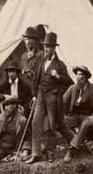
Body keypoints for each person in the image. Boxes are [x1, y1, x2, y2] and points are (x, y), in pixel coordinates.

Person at [26, 32, 75, 164]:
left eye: (49, 46)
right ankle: (36, 153)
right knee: (35, 122)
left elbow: (69, 82)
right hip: (41, 95)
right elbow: (35, 81)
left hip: (53, 97)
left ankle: (51, 153)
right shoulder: (40, 62)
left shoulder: (60, 65)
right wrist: (34, 95)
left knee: (52, 126)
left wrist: (58, 76)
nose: (46, 49)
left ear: (54, 48)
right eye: (45, 46)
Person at [62, 65, 93, 162]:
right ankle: (77, 142)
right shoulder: (72, 88)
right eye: (78, 75)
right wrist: (62, 114)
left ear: (86, 77)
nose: (79, 77)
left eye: (82, 75)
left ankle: (72, 149)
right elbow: (63, 101)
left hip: (88, 116)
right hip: (74, 116)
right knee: (61, 122)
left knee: (86, 123)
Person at [0, 60, 33, 159]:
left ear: (17, 73)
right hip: (8, 110)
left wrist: (24, 106)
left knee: (22, 121)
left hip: (20, 110)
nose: (10, 74)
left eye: (12, 71)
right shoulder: (5, 83)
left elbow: (29, 100)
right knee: (2, 120)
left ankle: (23, 145)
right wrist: (4, 96)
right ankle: (4, 142)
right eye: (9, 72)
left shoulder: (24, 85)